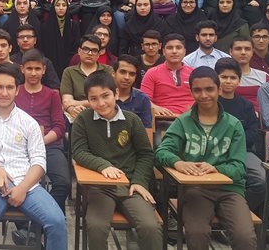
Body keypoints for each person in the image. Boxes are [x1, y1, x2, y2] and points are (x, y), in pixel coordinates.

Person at [0, 63, 68, 250]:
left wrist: (22, 188)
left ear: (17, 90)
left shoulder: (29, 122)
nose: (4, 93)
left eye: (10, 87)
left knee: (58, 222)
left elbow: (39, 161)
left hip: (26, 185)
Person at [155, 67, 257, 250]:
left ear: (219, 90)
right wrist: (178, 162)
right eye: (197, 90)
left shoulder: (234, 124)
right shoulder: (183, 122)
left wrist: (217, 169)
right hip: (195, 189)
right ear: (191, 92)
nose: (204, 95)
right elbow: (161, 152)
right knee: (197, 233)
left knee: (245, 237)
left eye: (209, 89)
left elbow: (239, 167)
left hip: (230, 190)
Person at [71, 71, 161, 250]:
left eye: (106, 96)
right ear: (88, 100)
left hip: (130, 186)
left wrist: (139, 181)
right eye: (94, 99)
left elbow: (145, 154)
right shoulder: (83, 119)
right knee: (96, 227)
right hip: (99, 188)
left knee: (150, 227)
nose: (101, 103)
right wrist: (103, 165)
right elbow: (79, 152)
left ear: (116, 94)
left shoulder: (132, 120)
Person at [17, 50, 70, 217]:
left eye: (37, 69)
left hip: (49, 145)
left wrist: (41, 141)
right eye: (29, 68)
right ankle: (24, 225)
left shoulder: (52, 95)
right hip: (19, 147)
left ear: (44, 70)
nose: (33, 73)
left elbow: (59, 127)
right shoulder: (15, 92)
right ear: (22, 69)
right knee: (18, 182)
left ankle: (45, 220)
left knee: (63, 183)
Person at [214, 58, 266, 212]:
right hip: (213, 150)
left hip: (243, 151)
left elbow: (253, 133)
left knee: (262, 182)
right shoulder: (209, 103)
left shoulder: (246, 105)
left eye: (233, 78)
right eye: (224, 77)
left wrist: (234, 142)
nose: (228, 81)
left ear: (239, 80)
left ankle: (236, 211)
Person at [61, 34, 115, 122]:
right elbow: (67, 101)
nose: (90, 53)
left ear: (99, 54)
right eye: (86, 49)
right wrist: (72, 109)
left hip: (104, 114)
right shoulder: (69, 72)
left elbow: (111, 99)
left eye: (94, 50)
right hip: (78, 116)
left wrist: (78, 103)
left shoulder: (108, 70)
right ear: (79, 51)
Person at [140, 33, 195, 116]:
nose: (174, 51)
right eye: (170, 48)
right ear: (163, 51)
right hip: (162, 119)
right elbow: (143, 100)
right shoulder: (152, 73)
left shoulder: (194, 73)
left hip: (190, 118)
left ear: (184, 51)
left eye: (178, 48)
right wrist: (154, 107)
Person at [11, 24, 62, 90]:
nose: (25, 40)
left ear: (35, 40)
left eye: (29, 37)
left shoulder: (45, 62)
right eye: (21, 37)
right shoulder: (11, 61)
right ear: (17, 41)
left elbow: (55, 88)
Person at [229, 37, 269, 114]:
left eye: (247, 49)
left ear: (252, 52)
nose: (243, 52)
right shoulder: (222, 77)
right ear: (231, 52)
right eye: (238, 49)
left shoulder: (264, 77)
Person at [114, 54, 153, 127]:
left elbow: (147, 129)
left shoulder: (142, 99)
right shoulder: (104, 96)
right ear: (113, 73)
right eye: (123, 72)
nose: (127, 77)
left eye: (132, 74)